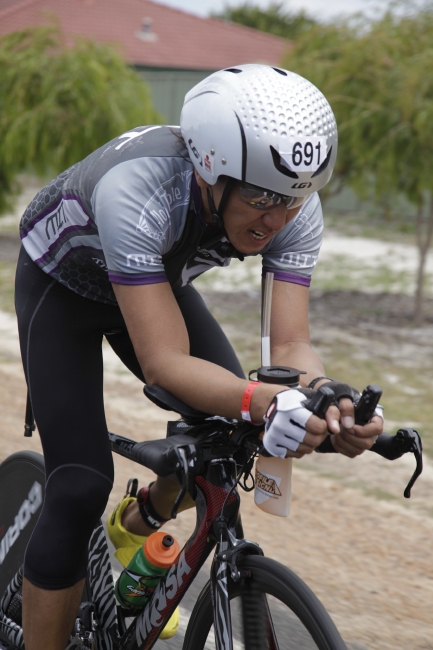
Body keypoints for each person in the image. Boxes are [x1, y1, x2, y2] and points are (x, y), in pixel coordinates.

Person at [14, 63, 383, 649]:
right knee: (80, 484)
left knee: (231, 434)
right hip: (63, 290)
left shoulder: (290, 207)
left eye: (294, 199)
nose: (278, 219)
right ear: (212, 168)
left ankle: (135, 526)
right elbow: (164, 362)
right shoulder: (138, 190)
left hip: (153, 281)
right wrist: (266, 400)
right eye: (262, 198)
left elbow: (290, 346)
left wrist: (327, 399)